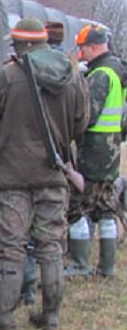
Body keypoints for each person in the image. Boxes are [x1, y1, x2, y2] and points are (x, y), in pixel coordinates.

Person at [0, 18, 88, 330]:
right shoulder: (72, 76)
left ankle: (5, 318)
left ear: (22, 46)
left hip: (12, 175)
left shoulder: (8, 77)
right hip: (54, 173)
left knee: (12, 245)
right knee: (51, 245)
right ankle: (50, 317)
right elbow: (81, 124)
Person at [65, 23, 126, 278]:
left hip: (94, 149)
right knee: (107, 207)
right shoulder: (118, 70)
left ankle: (79, 264)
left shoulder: (100, 74)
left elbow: (88, 116)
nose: (80, 54)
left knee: (78, 205)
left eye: (82, 48)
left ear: (93, 46)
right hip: (111, 148)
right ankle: (107, 266)